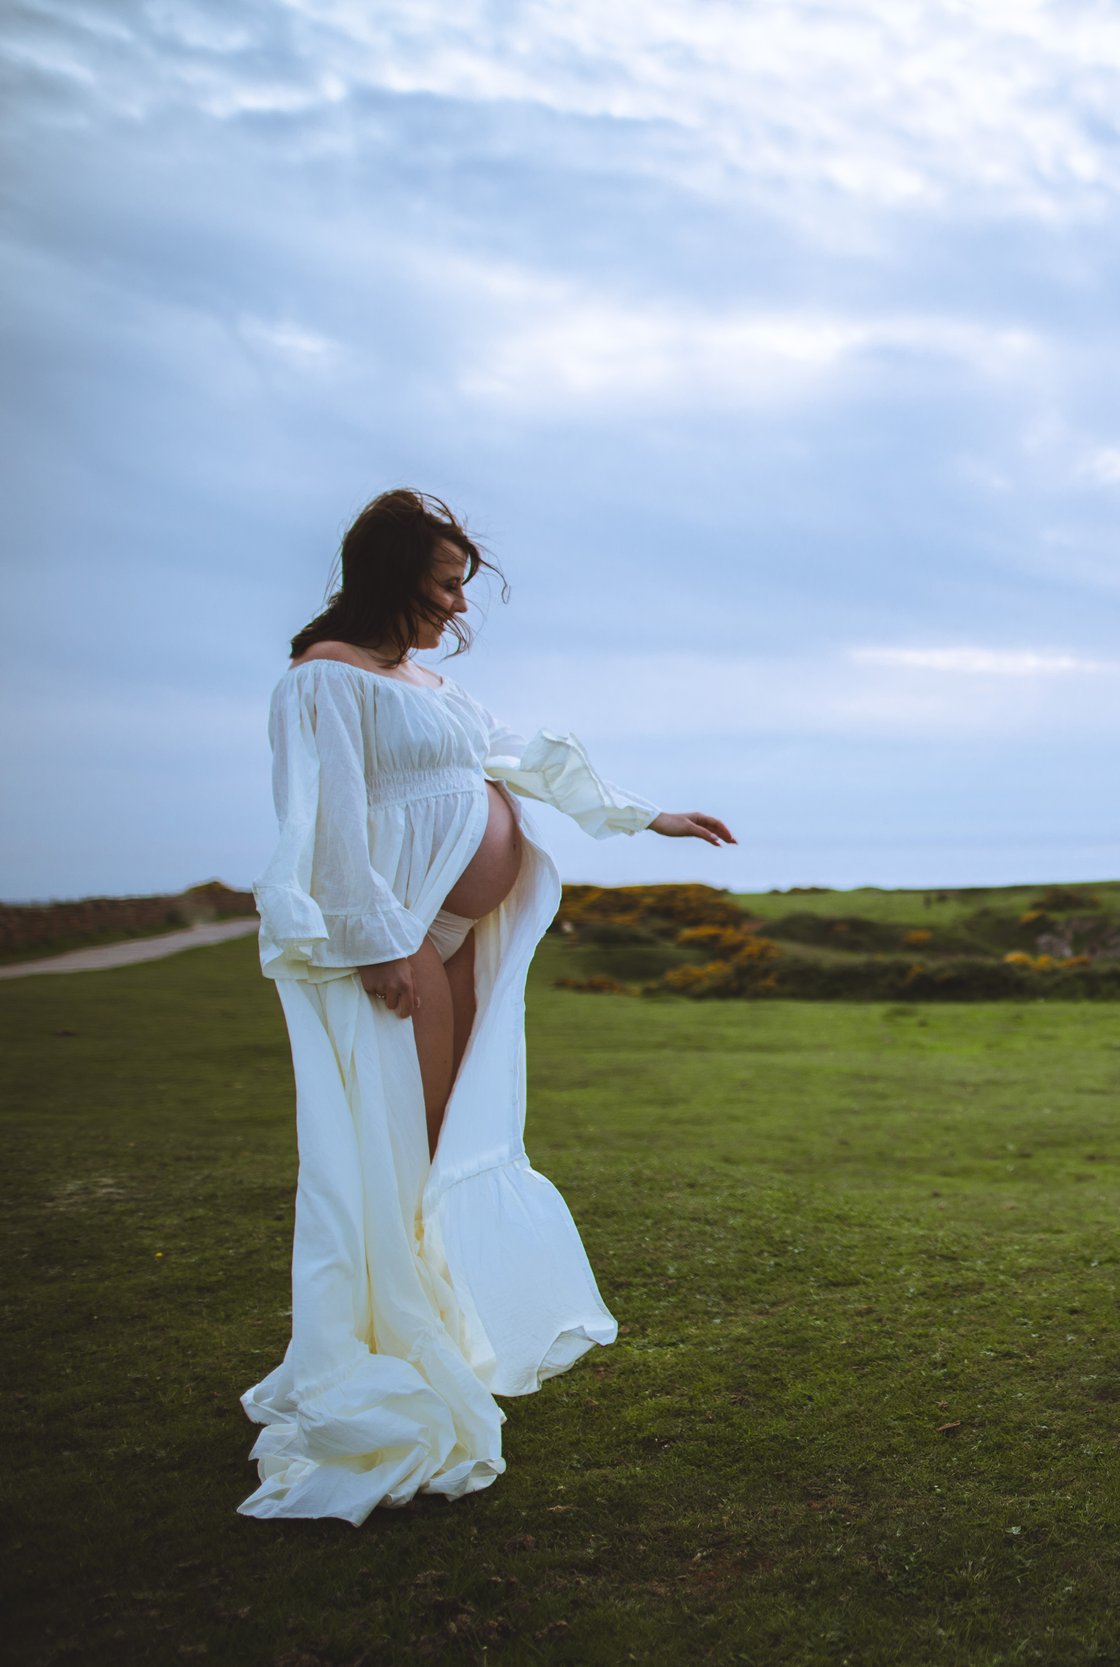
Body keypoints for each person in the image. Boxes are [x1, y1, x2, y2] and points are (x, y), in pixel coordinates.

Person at [241, 490, 734, 1524]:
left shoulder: (424, 682)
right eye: (448, 579)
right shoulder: (323, 679)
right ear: (391, 573)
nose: (461, 602)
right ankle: (392, 1352)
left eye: (465, 580)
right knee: (400, 1141)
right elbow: (324, 818)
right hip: (399, 940)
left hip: (462, 940)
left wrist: (650, 815)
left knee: (456, 1132)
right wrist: (379, 943)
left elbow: (522, 757)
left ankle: (451, 1327)